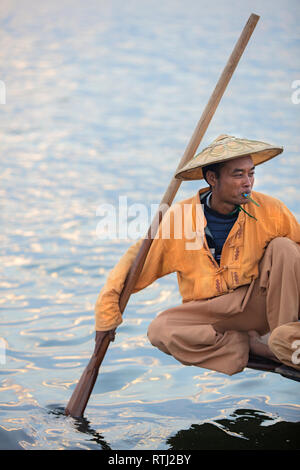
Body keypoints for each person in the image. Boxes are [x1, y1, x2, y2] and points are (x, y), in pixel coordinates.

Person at [94, 135, 300, 375]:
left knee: (285, 248)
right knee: (161, 330)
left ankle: (281, 341)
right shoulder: (182, 218)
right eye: (238, 175)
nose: (248, 183)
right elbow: (135, 263)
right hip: (215, 311)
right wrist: (107, 316)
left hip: (262, 302)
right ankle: (252, 346)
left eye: (251, 174)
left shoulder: (270, 209)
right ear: (212, 178)